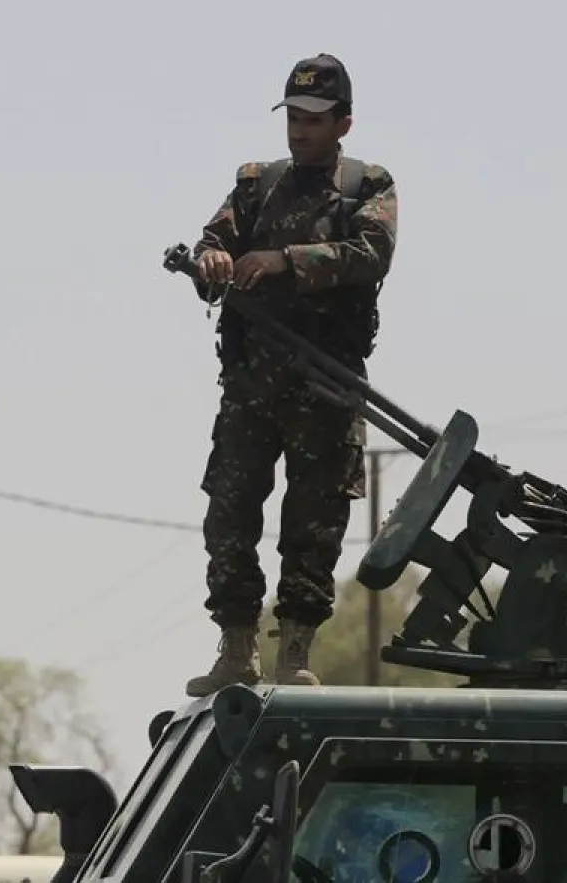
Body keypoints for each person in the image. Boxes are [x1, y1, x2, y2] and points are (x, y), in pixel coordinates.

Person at [184, 53, 398, 696]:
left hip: (326, 388)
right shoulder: (256, 184)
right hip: (251, 385)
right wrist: (215, 262)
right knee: (229, 515)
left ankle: (294, 650)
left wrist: (281, 261)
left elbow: (370, 254)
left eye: (312, 119)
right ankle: (237, 650)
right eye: (292, 116)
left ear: (343, 122)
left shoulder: (368, 186)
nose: (298, 130)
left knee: (314, 523)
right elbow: (208, 244)